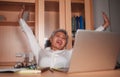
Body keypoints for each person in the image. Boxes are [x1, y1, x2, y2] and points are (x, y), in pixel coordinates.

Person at [18, 6, 110, 72]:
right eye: (57, 36)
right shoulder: (39, 51)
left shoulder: (70, 53)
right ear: (51, 39)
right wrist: (20, 20)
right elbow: (30, 34)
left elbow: (88, 41)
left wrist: (103, 26)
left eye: (64, 38)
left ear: (65, 43)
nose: (60, 39)